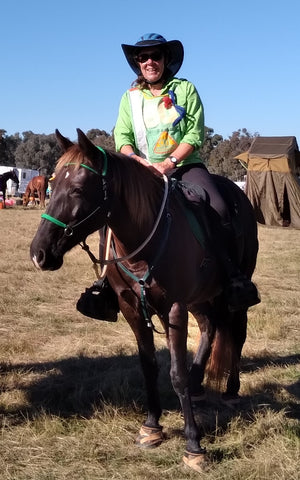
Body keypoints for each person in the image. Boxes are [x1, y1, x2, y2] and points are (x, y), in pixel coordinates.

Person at [76, 33, 260, 320]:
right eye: (143, 57)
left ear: (166, 60)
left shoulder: (184, 89)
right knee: (110, 212)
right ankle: (106, 283)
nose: (149, 62)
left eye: (155, 56)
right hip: (141, 172)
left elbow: (194, 134)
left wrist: (169, 162)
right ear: (137, 64)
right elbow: (122, 135)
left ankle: (231, 276)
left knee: (218, 207)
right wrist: (135, 159)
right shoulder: (130, 98)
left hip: (184, 165)